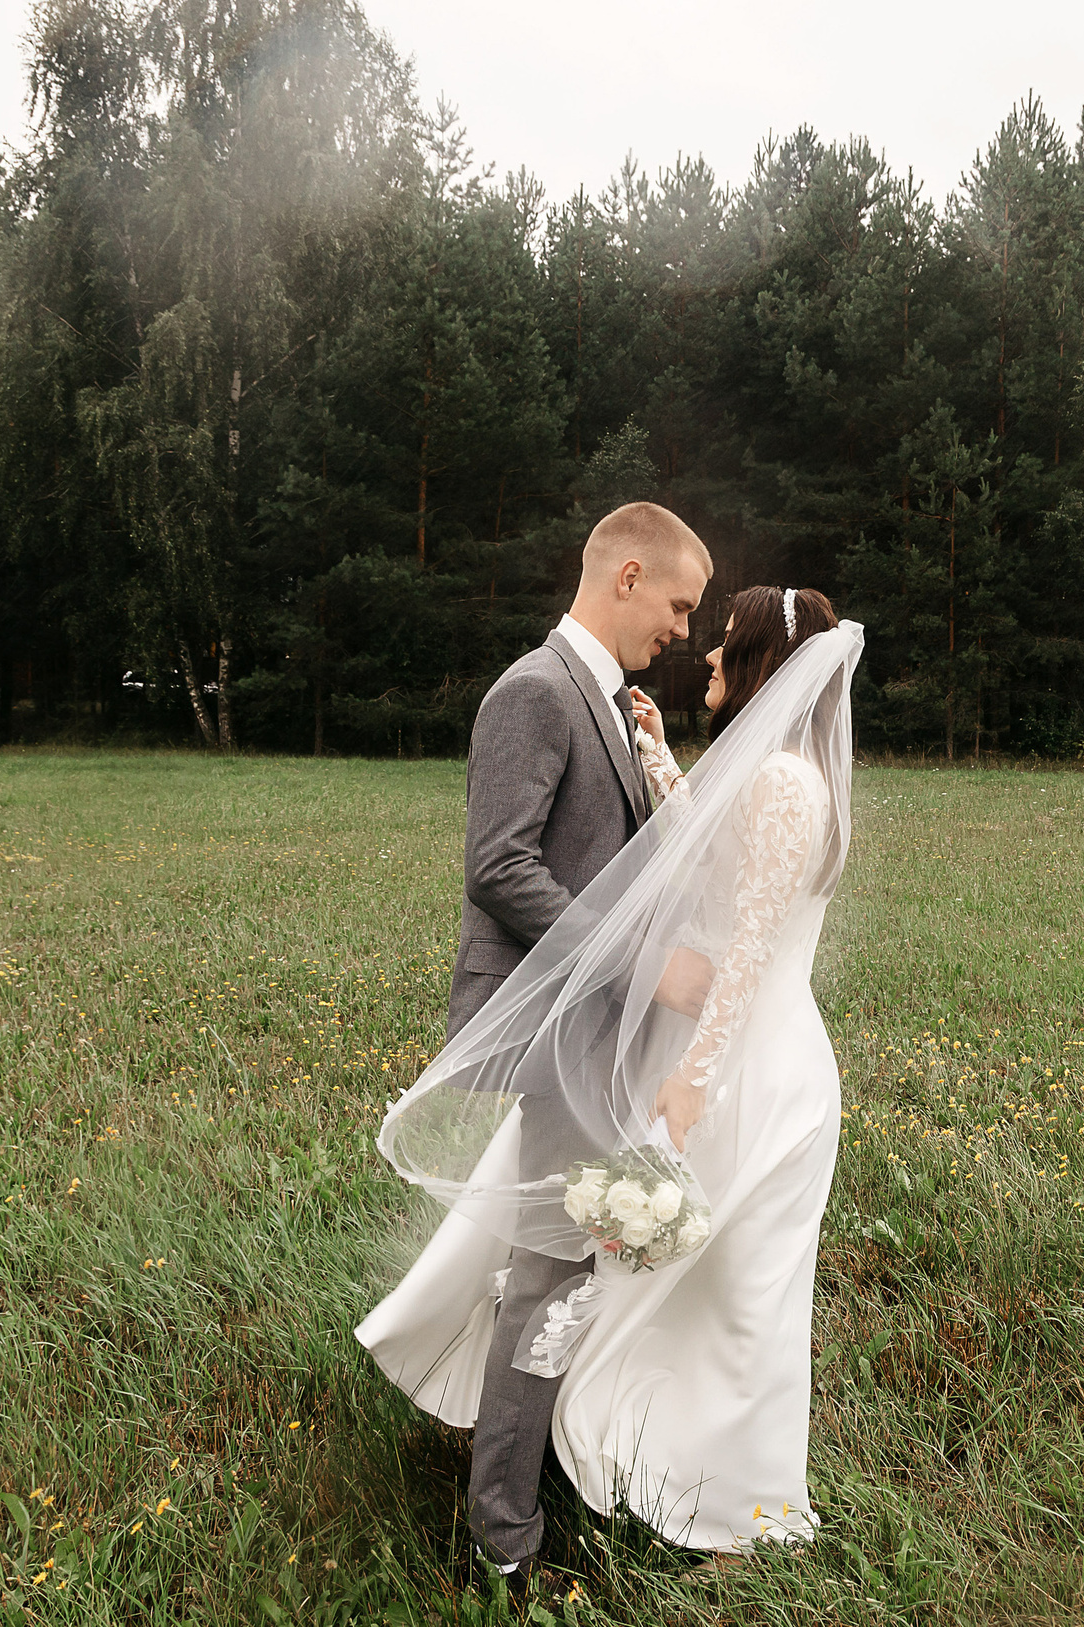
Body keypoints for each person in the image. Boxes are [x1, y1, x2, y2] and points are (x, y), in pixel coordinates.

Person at [360, 584, 862, 1575]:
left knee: (743, 1298)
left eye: (724, 642)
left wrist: (692, 1081)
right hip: (736, 1054)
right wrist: (661, 761)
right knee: (679, 1280)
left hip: (750, 1069)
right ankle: (650, 1461)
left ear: (762, 664)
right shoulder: (776, 773)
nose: (705, 655)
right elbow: (718, 871)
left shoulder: (781, 783)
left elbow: (747, 950)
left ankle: (750, 1516)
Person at [376, 502, 711, 1580]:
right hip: (557, 1034)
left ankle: (530, 1477)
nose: (683, 630)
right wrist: (640, 963)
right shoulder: (534, 690)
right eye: (677, 605)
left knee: (561, 1267)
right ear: (626, 575)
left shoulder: (610, 701)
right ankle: (505, 1543)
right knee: (549, 1277)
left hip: (595, 1037)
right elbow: (501, 867)